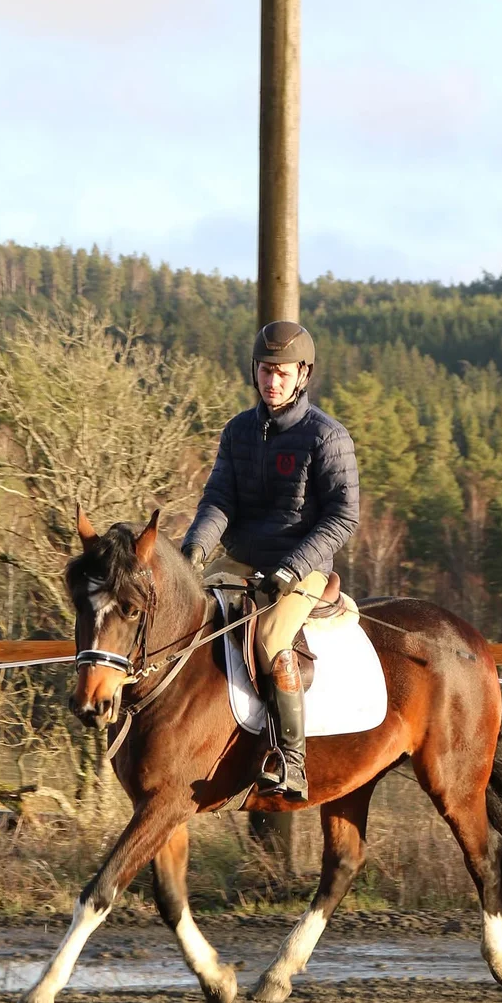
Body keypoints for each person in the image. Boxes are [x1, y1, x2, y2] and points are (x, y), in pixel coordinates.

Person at [181, 320, 360, 799]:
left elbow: (343, 517)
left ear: (302, 374)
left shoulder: (327, 436)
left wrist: (292, 568)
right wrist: (194, 550)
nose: (271, 381)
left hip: (302, 565)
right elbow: (219, 501)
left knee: (270, 634)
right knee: (188, 620)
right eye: (265, 370)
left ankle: (291, 760)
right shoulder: (238, 431)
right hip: (239, 560)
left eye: (281, 372)